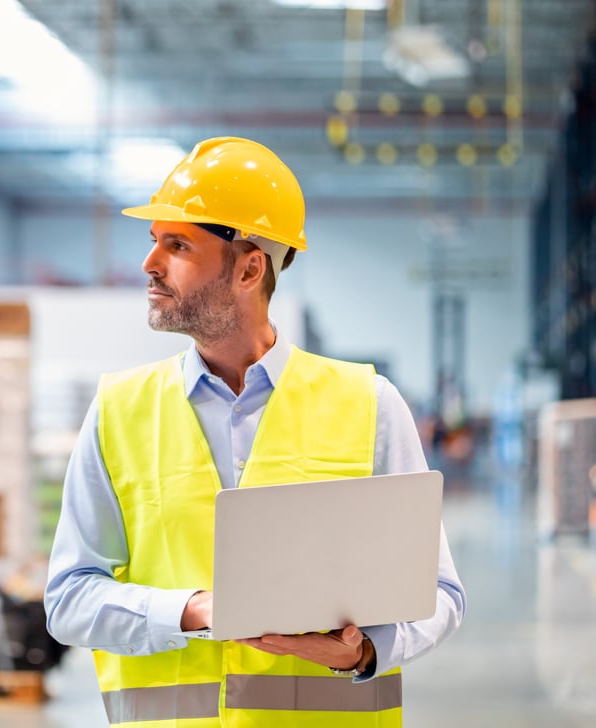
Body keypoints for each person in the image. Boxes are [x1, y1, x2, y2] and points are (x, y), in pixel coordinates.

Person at [45, 136, 466, 727]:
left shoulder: (369, 404)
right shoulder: (119, 409)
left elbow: (439, 594)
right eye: (153, 241)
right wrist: (189, 611)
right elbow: (68, 598)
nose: (149, 264)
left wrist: (365, 649)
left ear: (248, 268)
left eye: (178, 244)